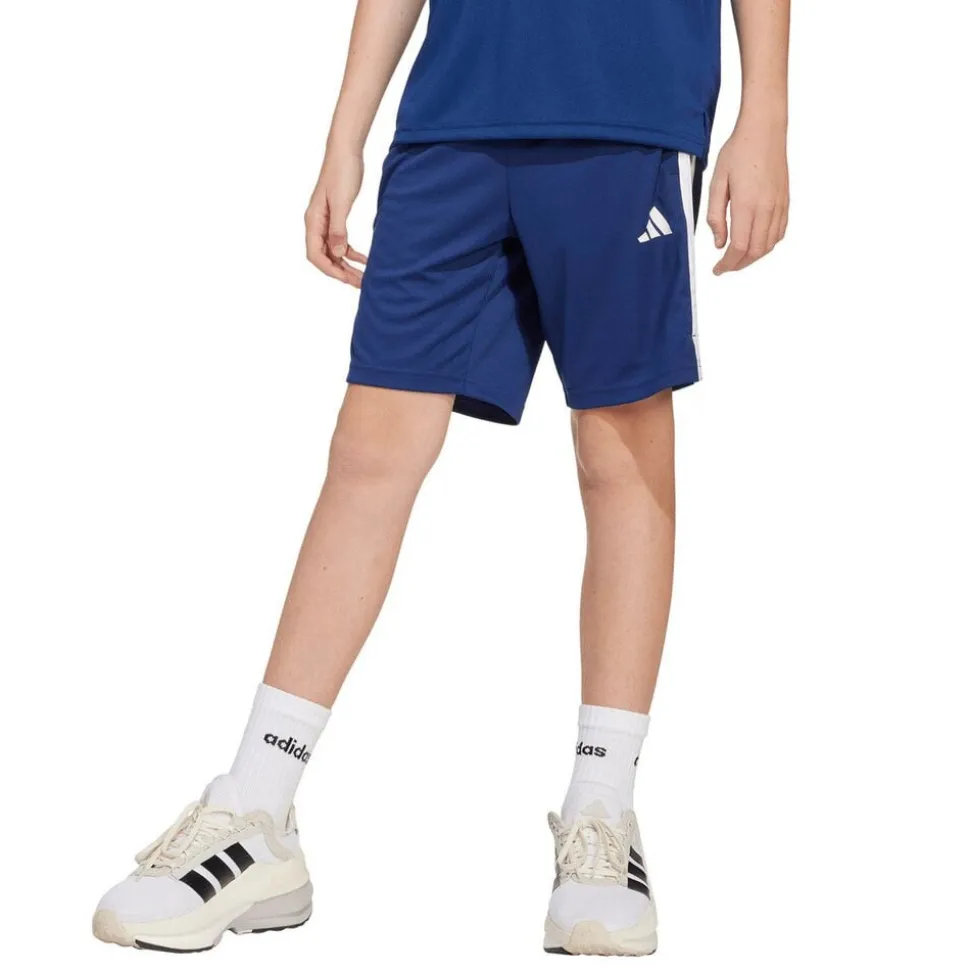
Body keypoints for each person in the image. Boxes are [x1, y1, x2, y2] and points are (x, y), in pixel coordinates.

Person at [92, 0, 790, 956]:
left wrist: (765, 111)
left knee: (620, 457)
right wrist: (346, 133)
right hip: (453, 115)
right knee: (368, 452)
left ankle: (602, 812)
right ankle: (257, 804)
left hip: (628, 112)